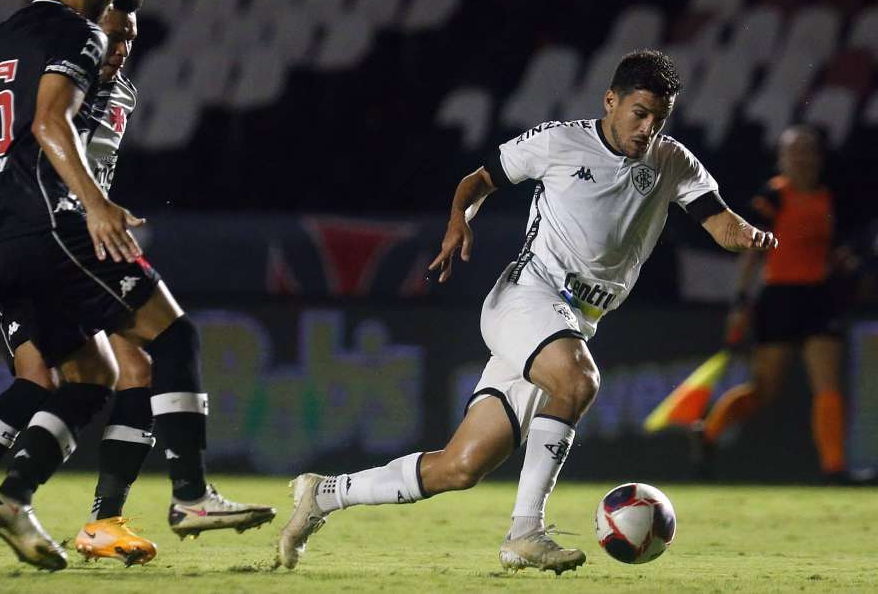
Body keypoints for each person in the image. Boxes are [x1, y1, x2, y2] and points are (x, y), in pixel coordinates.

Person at [275, 50, 777, 573]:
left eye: (659, 118)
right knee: (579, 381)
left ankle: (325, 494)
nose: (648, 128)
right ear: (611, 101)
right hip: (527, 295)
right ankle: (525, 533)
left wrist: (746, 235)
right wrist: (459, 221)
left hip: (573, 320)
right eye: (640, 113)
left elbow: (718, 221)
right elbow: (478, 181)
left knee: (460, 466)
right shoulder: (560, 141)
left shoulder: (671, 160)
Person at [0, 0, 270, 571]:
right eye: (113, 22)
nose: (117, 43)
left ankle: (76, 513)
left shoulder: (4, 46)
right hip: (54, 231)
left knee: (108, 372)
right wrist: (85, 210)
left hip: (21, 237)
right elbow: (30, 135)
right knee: (154, 343)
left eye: (128, 37)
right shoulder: (73, 44)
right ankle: (185, 496)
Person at [696, 125, 856, 483]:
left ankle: (834, 468)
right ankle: (708, 432)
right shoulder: (774, 196)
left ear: (818, 157)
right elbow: (751, 254)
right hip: (779, 298)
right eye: (794, 151)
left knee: (827, 384)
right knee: (765, 389)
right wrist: (740, 302)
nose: (802, 158)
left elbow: (835, 248)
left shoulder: (831, 197)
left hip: (818, 297)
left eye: (808, 150)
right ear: (782, 159)